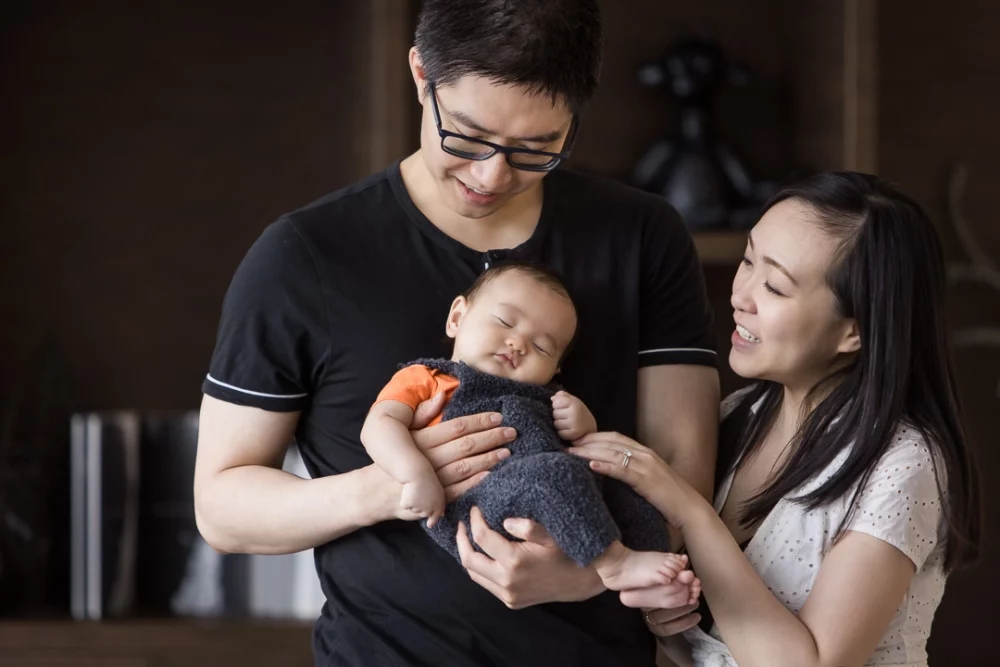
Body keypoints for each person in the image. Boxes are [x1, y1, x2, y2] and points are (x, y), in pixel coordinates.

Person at [193, 1, 720, 666]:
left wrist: (589, 571)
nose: (490, 175)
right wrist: (391, 486)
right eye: (466, 137)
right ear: (421, 75)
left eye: (535, 148)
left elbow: (684, 469)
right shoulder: (305, 255)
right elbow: (222, 506)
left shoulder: (642, 236)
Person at [570, 171, 983, 667]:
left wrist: (687, 507)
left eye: (774, 286)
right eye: (747, 260)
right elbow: (716, 646)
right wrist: (671, 625)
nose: (741, 295)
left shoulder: (905, 464)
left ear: (854, 331)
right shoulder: (740, 416)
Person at [363, 262, 700, 595]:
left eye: (541, 347)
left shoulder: (545, 397)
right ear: (456, 318)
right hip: (478, 505)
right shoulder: (429, 378)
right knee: (554, 475)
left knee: (628, 500)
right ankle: (615, 563)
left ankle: (658, 584)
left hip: (556, 496)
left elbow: (577, 445)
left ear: (554, 370)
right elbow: (379, 426)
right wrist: (416, 474)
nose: (517, 344)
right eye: (505, 322)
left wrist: (582, 423)